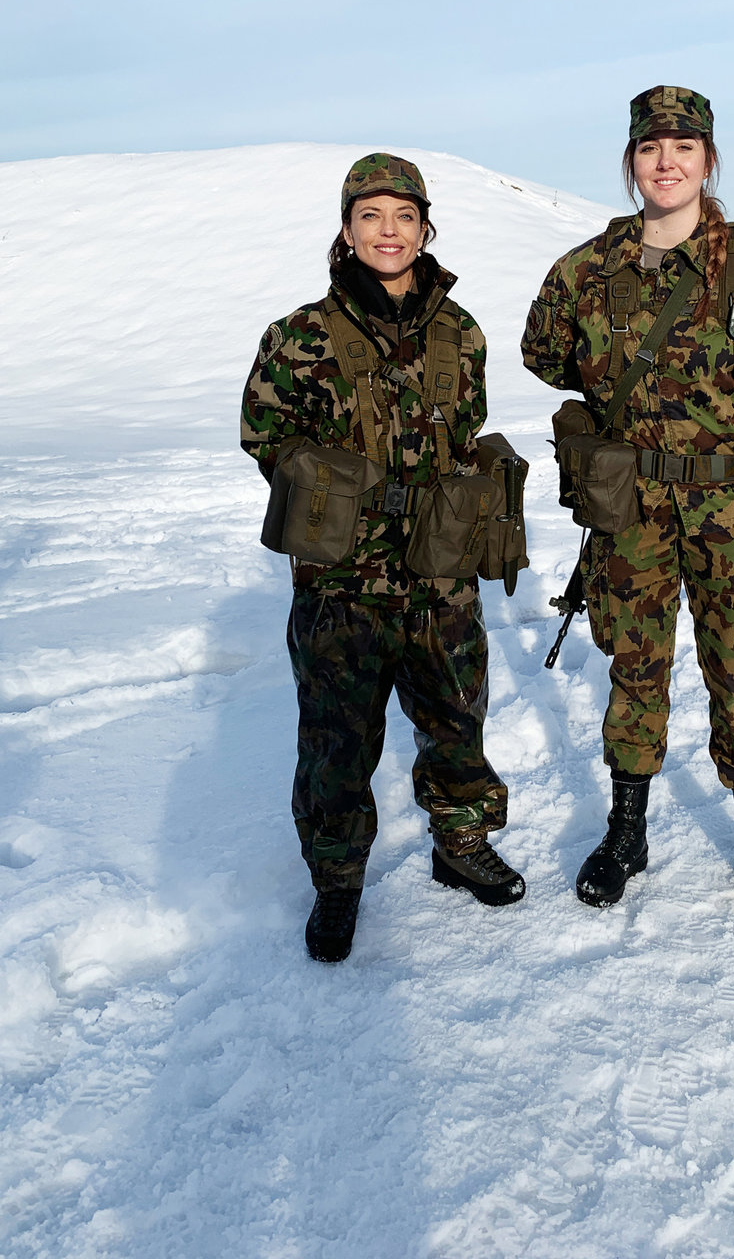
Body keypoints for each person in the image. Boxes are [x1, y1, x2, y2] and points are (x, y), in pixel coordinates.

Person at [521, 87, 734, 917]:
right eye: (651, 148)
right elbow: (543, 353)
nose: (666, 163)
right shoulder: (587, 268)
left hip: (731, 509)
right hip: (631, 510)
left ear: (708, 160)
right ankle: (627, 831)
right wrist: (614, 397)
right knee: (635, 671)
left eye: (683, 148)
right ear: (631, 162)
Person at [242, 153, 524, 963]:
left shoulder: (460, 332)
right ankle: (337, 880)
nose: (388, 231)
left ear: (426, 229)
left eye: (404, 216)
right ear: (346, 229)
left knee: (456, 719)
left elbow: (464, 429)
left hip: (441, 570)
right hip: (341, 576)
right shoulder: (298, 335)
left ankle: (460, 843)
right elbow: (264, 435)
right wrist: (337, 485)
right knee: (337, 737)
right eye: (370, 216)